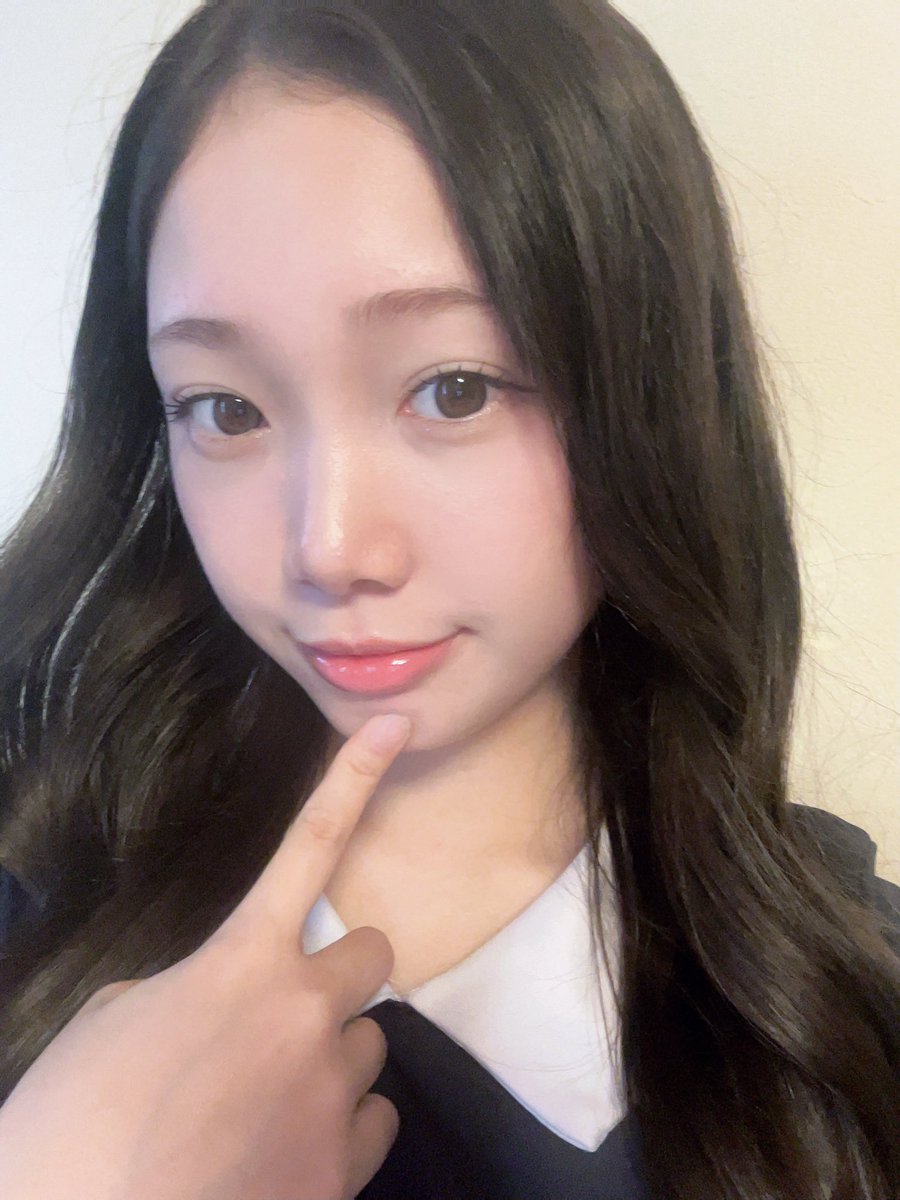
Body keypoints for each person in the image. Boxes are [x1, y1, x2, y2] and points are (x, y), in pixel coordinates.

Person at [0, 1, 897, 1197]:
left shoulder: (847, 1022)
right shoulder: (38, 881)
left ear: (651, 397)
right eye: (226, 408)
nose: (329, 549)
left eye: (457, 389)